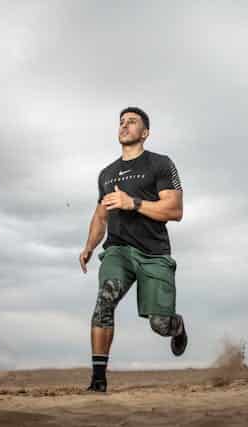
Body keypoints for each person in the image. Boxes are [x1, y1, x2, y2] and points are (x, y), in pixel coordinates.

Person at [78, 106, 187, 393]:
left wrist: (133, 203)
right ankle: (98, 380)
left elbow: (175, 210)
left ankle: (177, 326)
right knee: (105, 299)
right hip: (119, 251)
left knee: (159, 324)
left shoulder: (160, 164)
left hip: (154, 254)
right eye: (121, 122)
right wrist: (90, 245)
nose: (125, 126)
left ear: (146, 133)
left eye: (132, 122)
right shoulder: (107, 174)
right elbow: (101, 215)